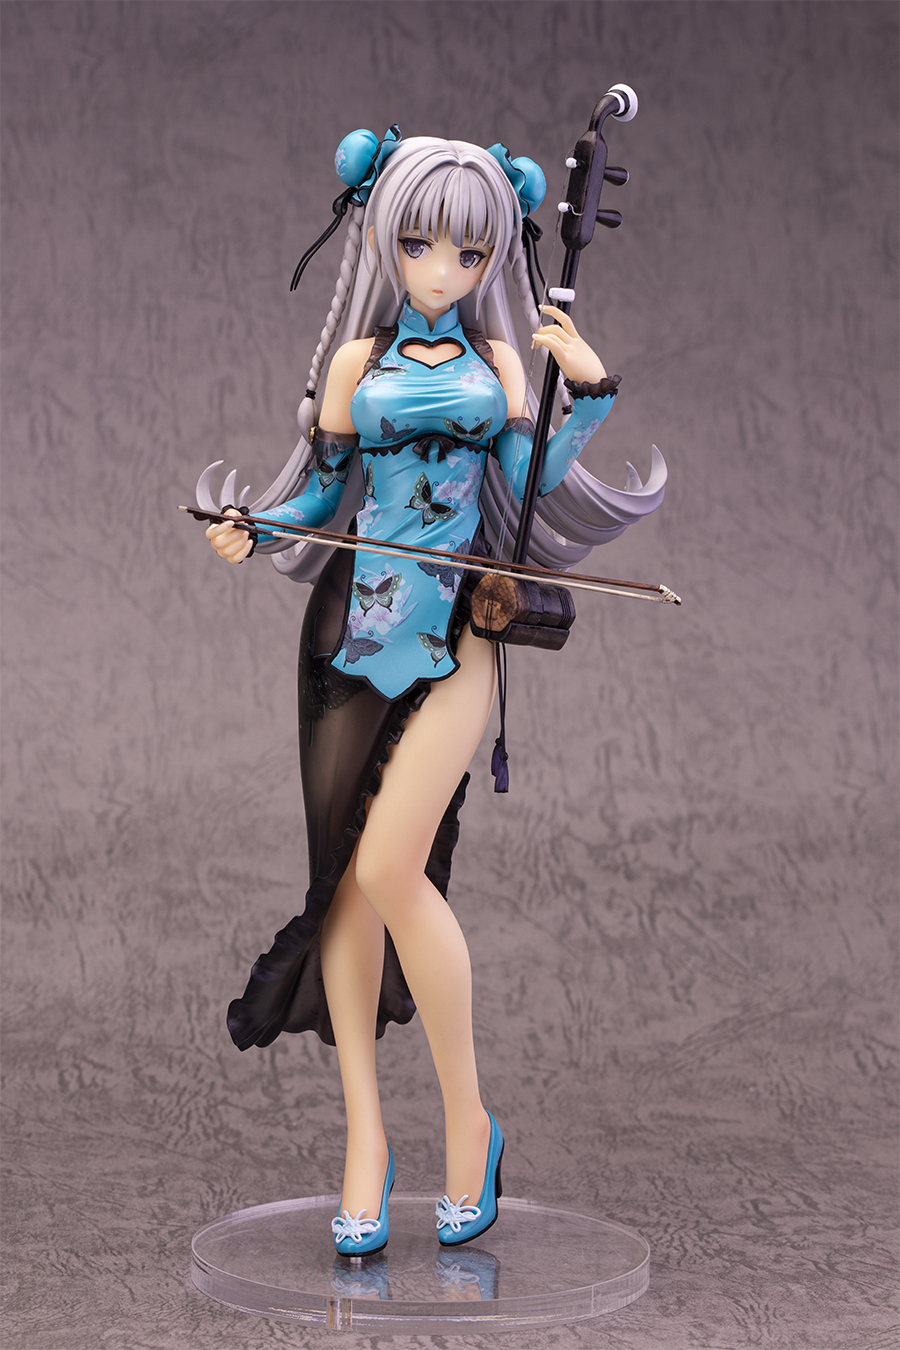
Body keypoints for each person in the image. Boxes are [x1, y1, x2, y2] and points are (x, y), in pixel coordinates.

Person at [199, 131, 666, 1255]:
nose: (442, 268)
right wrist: (255, 528)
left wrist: (588, 392)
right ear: (384, 240)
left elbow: (529, 478)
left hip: (457, 633)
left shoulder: (501, 366)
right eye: (418, 244)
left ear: (492, 253)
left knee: (388, 868)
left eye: (467, 250)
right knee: (342, 892)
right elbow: (323, 496)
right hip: (348, 635)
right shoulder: (355, 365)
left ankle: (471, 1120)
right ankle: (365, 1139)